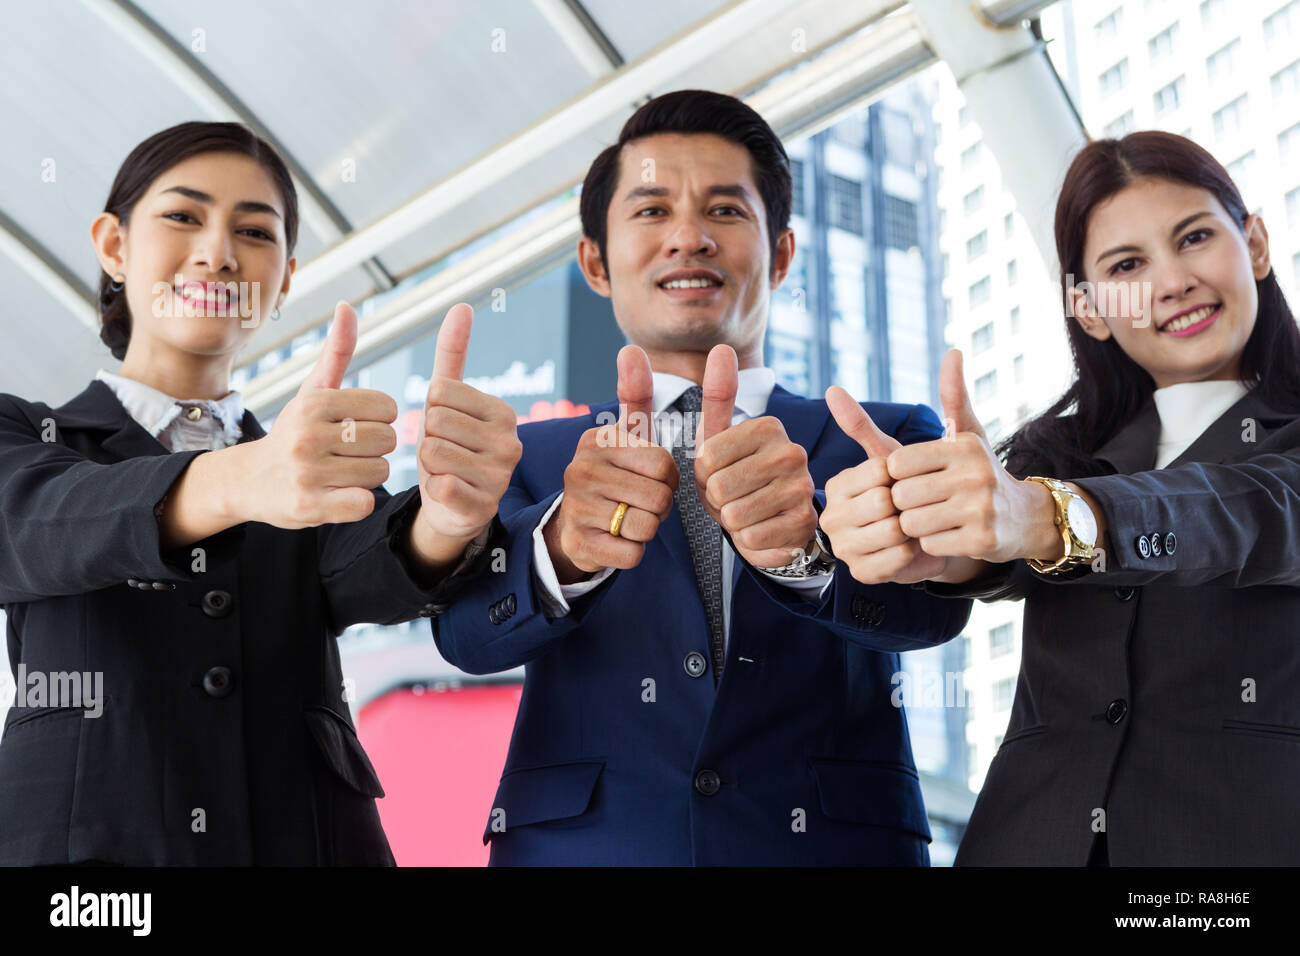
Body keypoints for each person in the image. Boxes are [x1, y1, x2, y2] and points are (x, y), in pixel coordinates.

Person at [432, 90, 972, 866]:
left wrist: (806, 556)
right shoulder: (526, 455)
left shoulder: (879, 436)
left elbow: (931, 614)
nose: (688, 238)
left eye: (724, 211)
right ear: (595, 260)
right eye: (651, 212)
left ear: (782, 253)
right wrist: (561, 551)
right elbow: (464, 637)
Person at [0, 121, 521, 865]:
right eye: (183, 217)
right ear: (114, 246)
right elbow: (34, 523)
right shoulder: (26, 433)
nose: (217, 252)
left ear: (284, 280)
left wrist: (446, 514)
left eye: (254, 231)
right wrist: (240, 476)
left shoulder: (302, 468)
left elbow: (366, 559)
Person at [821, 130, 1300, 865]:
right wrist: (932, 538)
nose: (1171, 282)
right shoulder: (1062, 456)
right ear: (1090, 309)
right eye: (1127, 265)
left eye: (1195, 237)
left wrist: (1050, 518)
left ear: (1257, 243)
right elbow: (999, 553)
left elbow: (1242, 514)